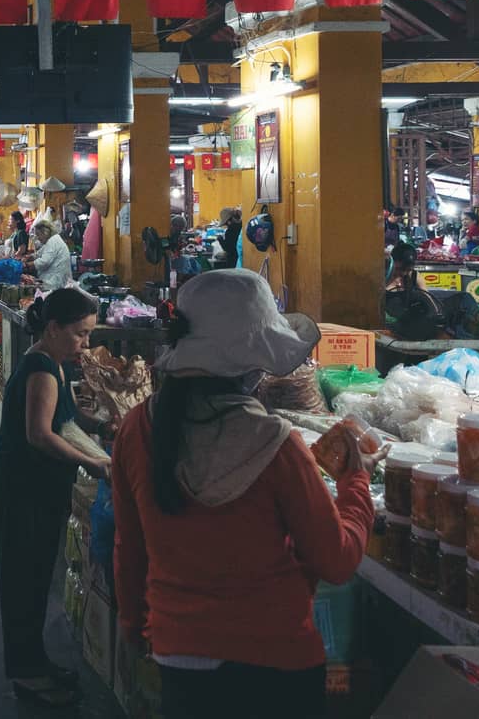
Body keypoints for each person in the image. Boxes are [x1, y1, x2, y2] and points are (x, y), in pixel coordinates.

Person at [111, 269, 380, 719]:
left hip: (178, 656)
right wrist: (356, 481)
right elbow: (336, 560)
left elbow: (130, 548)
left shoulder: (138, 429)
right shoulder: (278, 443)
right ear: (255, 363)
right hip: (276, 663)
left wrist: (132, 627)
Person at [0, 288, 109, 707]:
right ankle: (27, 675)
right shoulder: (40, 367)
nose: (86, 344)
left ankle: (35, 662)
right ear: (54, 328)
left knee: (37, 579)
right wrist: (93, 464)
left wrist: (110, 424)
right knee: (23, 582)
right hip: (22, 489)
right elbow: (40, 435)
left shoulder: (55, 362)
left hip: (38, 489)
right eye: (80, 334)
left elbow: (70, 417)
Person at [30, 221, 72, 291]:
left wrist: (27, 265)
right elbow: (39, 253)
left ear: (45, 232)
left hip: (55, 283)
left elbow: (44, 261)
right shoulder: (51, 241)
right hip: (55, 281)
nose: (37, 238)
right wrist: (30, 257)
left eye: (38, 234)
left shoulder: (53, 241)